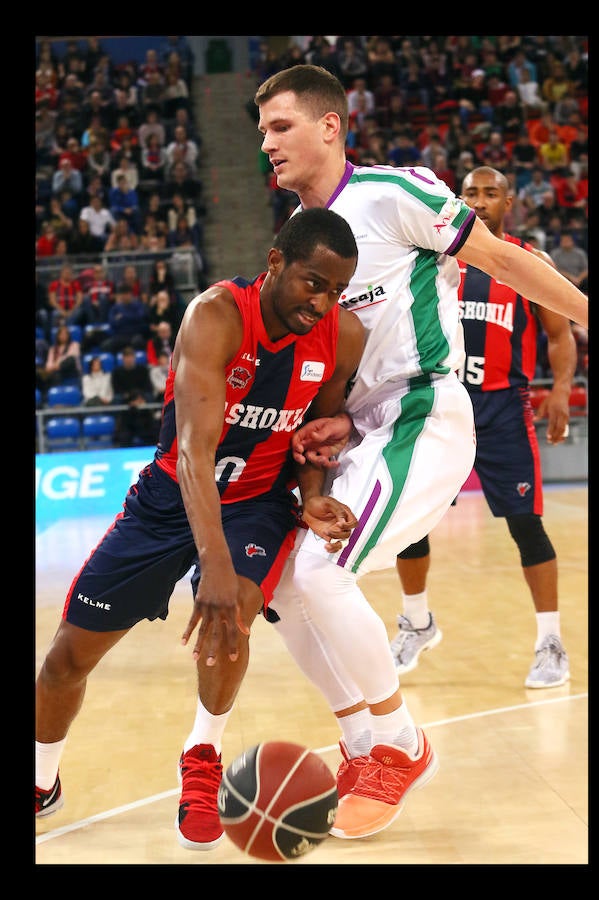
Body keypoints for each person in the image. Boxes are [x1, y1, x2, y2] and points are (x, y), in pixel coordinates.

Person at [250, 64, 587, 841]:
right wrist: (326, 420)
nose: (266, 143)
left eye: (280, 126)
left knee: (320, 571)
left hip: (422, 410)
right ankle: (361, 743)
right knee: (280, 585)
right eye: (261, 131)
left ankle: (400, 745)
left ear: (330, 126)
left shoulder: (392, 194)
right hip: (357, 427)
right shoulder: (297, 238)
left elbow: (506, 262)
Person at [35, 209, 365, 855]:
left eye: (336, 290)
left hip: (257, 504)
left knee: (233, 610)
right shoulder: (216, 317)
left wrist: (312, 498)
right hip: (171, 498)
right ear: (276, 263)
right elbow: (194, 453)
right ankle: (42, 779)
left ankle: (202, 757)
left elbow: (314, 439)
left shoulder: (341, 336)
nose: (323, 302)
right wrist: (210, 561)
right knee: (65, 660)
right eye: (313, 283)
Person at [389, 166, 578, 689]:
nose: (479, 201)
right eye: (470, 193)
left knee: (526, 525)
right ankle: (417, 623)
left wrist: (562, 388)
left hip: (502, 409)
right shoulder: (435, 259)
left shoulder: (527, 263)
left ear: (508, 203)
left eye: (490, 193)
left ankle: (550, 642)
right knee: (409, 520)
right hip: (442, 404)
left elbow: (559, 334)